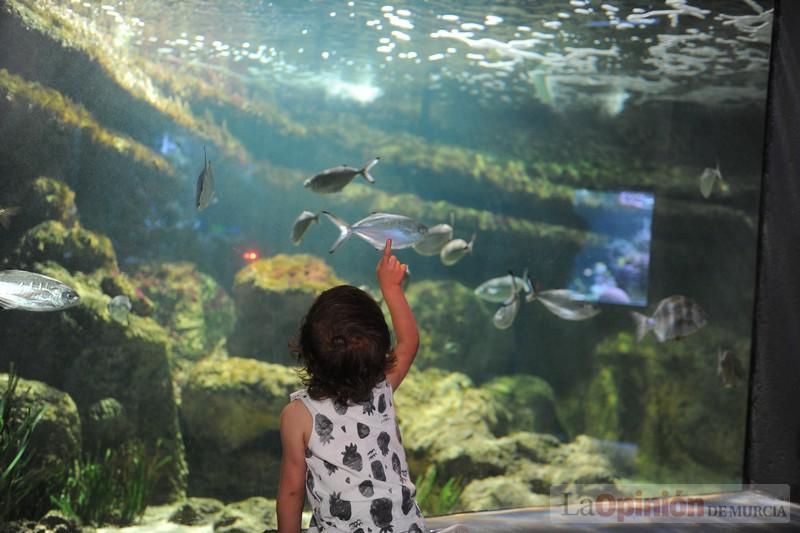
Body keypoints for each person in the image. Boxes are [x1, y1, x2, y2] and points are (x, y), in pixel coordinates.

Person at [277, 239, 425, 533]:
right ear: (380, 348)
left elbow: (292, 492)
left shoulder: (298, 415)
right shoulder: (381, 389)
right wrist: (392, 288)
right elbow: (409, 343)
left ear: (307, 349)